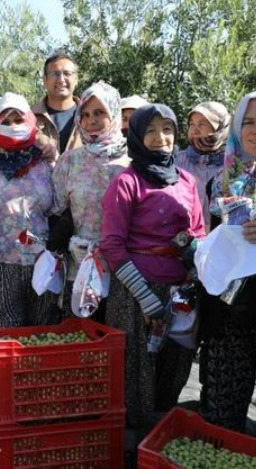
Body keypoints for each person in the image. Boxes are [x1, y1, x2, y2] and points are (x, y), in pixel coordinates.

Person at [101, 103, 204, 432]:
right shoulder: (126, 183)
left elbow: (199, 233)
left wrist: (190, 253)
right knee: (137, 374)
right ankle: (134, 445)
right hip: (137, 295)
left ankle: (162, 439)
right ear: (137, 136)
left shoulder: (187, 180)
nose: (161, 137)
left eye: (168, 129)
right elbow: (113, 246)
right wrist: (146, 299)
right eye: (150, 130)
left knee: (174, 367)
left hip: (180, 293)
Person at [0, 92, 59, 327]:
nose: (13, 126)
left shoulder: (46, 160)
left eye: (19, 120)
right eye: (6, 121)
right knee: (5, 337)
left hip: (43, 264)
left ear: (30, 121)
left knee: (43, 334)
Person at [198, 92, 256, 433]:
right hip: (228, 310)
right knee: (222, 412)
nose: (254, 130)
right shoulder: (219, 180)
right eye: (248, 122)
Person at [49, 82, 130, 321]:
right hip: (80, 268)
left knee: (115, 345)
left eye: (99, 113)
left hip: (123, 270)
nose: (91, 120)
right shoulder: (70, 161)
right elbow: (57, 210)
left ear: (114, 114)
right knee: (80, 341)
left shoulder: (132, 161)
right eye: (84, 114)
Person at [176, 101, 230, 229]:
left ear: (220, 128)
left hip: (225, 240)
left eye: (201, 124)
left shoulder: (234, 165)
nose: (194, 130)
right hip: (184, 241)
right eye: (191, 124)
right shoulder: (176, 162)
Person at [32, 53, 81, 155]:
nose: (61, 80)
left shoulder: (87, 115)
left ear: (76, 79)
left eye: (67, 74)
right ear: (45, 80)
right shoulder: (29, 116)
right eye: (55, 74)